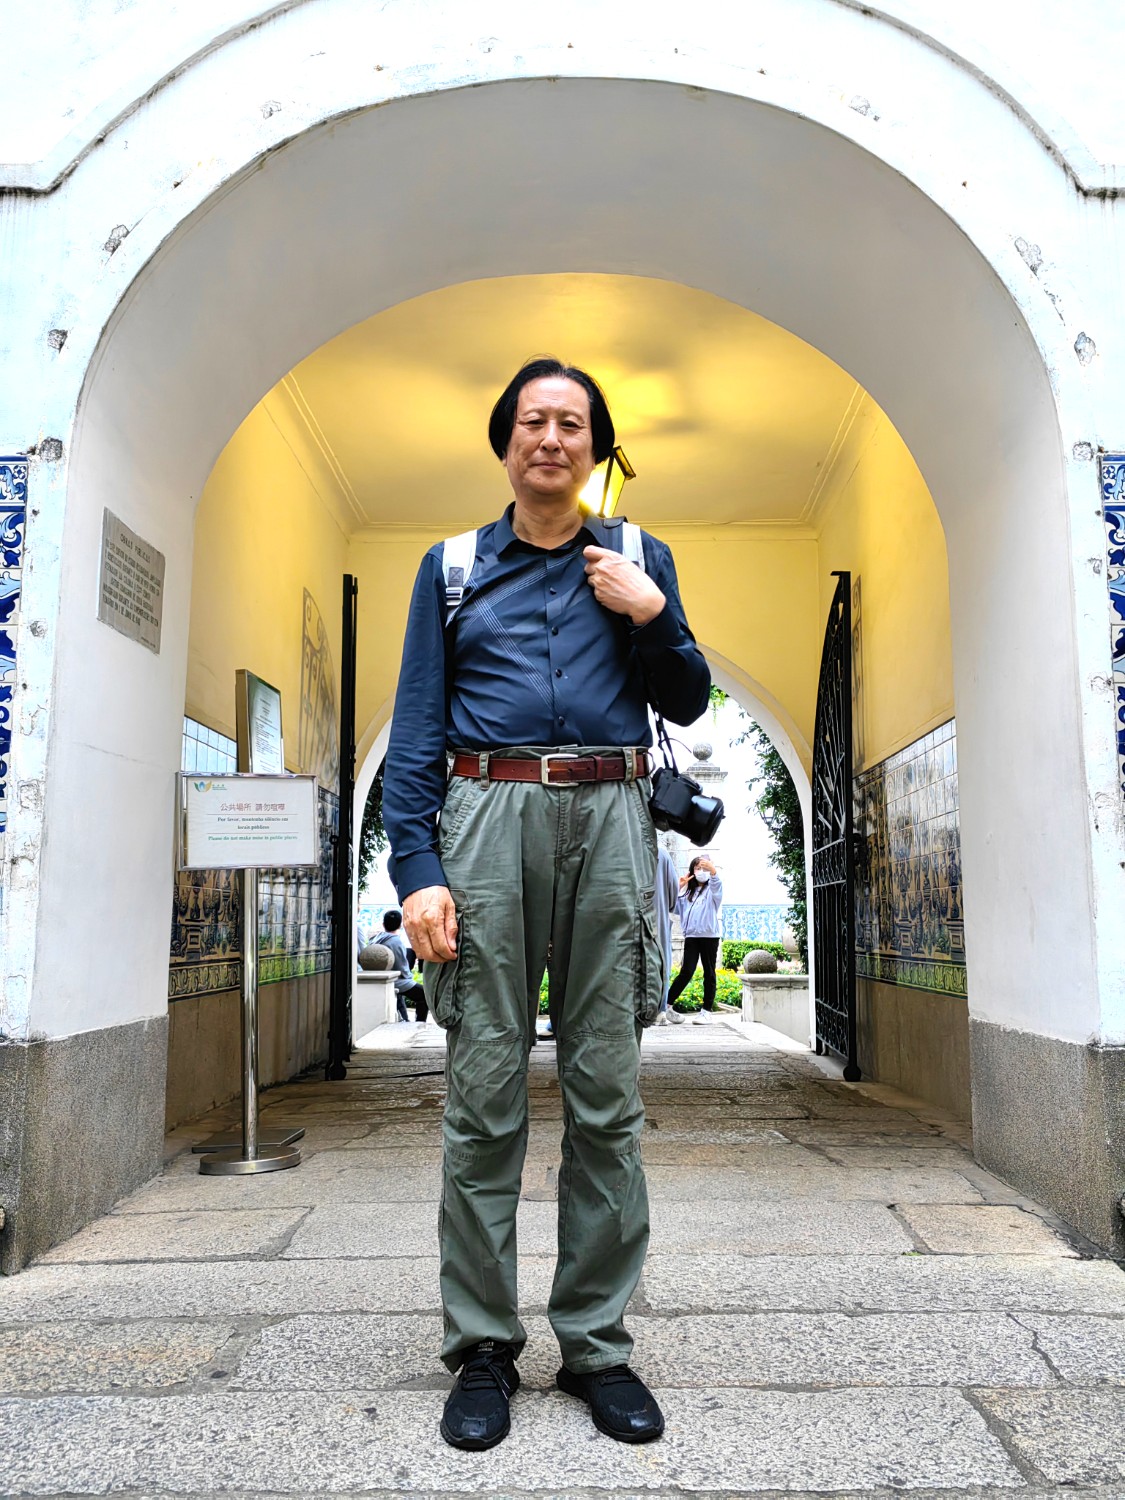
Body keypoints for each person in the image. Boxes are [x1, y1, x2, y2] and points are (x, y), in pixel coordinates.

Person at [382, 357, 710, 1451]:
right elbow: (416, 729)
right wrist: (417, 870)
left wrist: (654, 616)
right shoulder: (452, 568)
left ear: (597, 449)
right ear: (505, 441)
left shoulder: (639, 556)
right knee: (483, 1093)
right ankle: (482, 1347)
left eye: (573, 424)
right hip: (486, 818)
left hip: (612, 818)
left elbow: (687, 699)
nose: (552, 439)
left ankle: (597, 1346)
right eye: (534, 421)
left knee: (606, 1094)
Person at [666, 856, 723, 1023]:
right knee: (686, 971)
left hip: (709, 937)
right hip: (691, 937)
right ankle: (666, 1005)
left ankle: (706, 1011)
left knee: (709, 973)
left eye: (705, 868)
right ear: (692, 871)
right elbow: (672, 906)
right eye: (698, 868)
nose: (701, 871)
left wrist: (713, 871)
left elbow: (717, 885)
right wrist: (678, 887)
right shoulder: (687, 894)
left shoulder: (712, 891)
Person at [378, 909, 429, 1024]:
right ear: (400, 925)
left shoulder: (378, 938)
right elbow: (402, 967)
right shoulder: (395, 941)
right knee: (424, 994)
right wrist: (409, 976)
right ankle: (419, 1023)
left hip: (387, 977)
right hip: (396, 980)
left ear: (383, 924)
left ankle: (405, 1019)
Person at [653, 847, 684, 1026]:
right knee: (661, 963)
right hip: (657, 919)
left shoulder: (619, 845)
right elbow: (673, 893)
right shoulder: (661, 853)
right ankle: (659, 1011)